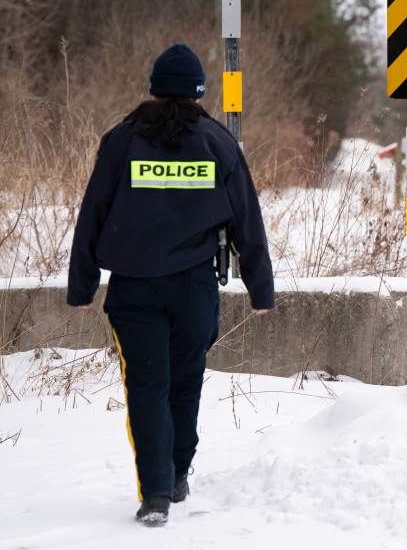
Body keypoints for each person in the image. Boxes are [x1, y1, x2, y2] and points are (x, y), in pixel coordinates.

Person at [67, 43, 274, 527]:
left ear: (155, 87)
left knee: (146, 386)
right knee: (184, 382)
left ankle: (155, 492)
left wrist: (83, 285)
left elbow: (92, 214)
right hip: (194, 287)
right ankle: (178, 473)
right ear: (200, 91)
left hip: (134, 288)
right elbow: (248, 218)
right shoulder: (218, 143)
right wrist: (259, 288)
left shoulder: (122, 141)